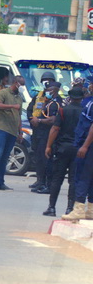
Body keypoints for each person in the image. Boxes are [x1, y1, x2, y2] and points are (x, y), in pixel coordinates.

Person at [44, 85, 83, 217]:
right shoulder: (84, 111)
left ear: (70, 97)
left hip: (62, 148)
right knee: (73, 180)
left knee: (57, 179)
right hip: (78, 149)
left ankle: (52, 207)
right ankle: (70, 208)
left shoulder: (62, 110)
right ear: (82, 98)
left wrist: (48, 146)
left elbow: (55, 129)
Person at [0, 76, 26, 191]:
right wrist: (12, 106)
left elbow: (18, 116)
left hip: (12, 130)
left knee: (4, 157)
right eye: (21, 84)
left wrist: (20, 132)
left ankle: (0, 182)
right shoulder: (3, 93)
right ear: (16, 83)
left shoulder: (19, 97)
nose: (22, 87)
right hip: (1, 128)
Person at [63, 96, 93, 220]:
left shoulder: (91, 104)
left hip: (89, 146)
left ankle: (79, 209)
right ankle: (91, 210)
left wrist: (85, 146)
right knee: (91, 178)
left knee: (82, 176)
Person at [27, 71, 57, 194]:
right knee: (38, 157)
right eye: (45, 80)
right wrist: (31, 120)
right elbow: (29, 109)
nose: (47, 82)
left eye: (50, 80)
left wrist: (39, 121)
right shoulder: (38, 96)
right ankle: (39, 180)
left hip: (47, 132)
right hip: (37, 130)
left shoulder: (56, 99)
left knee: (45, 157)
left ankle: (44, 182)